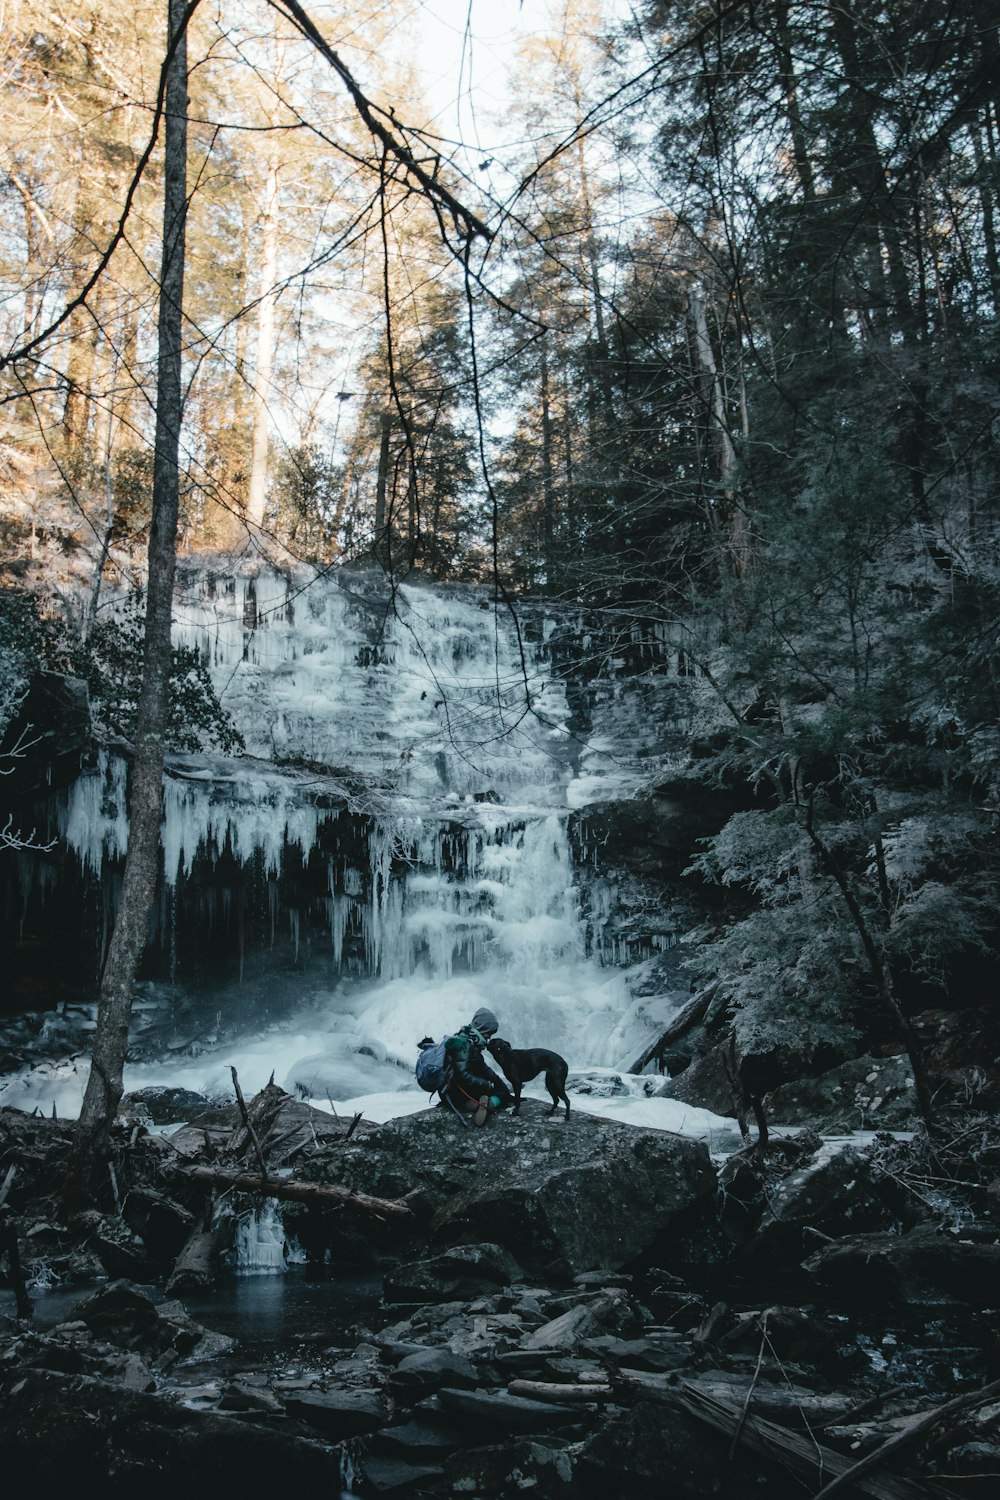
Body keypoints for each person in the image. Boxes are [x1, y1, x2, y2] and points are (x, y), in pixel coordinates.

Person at [441, 1007, 513, 1126]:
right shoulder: (465, 1045)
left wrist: (497, 1081)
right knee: (503, 1095)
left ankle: (470, 1104)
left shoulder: (467, 1040)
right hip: (457, 1092)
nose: (489, 1037)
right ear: (482, 1028)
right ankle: (488, 1103)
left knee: (502, 1089)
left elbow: (483, 1067)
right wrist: (488, 1085)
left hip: (452, 1093)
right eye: (488, 1033)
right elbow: (462, 1075)